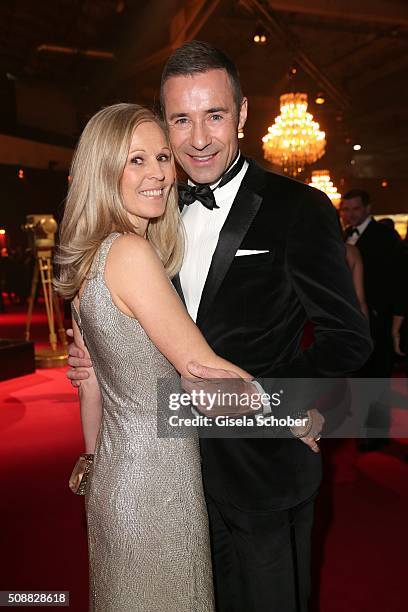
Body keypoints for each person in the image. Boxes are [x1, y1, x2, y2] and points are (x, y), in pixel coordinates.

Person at [68, 42, 372, 612]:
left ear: (243, 114)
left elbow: (348, 340)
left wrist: (288, 407)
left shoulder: (299, 208)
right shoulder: (156, 206)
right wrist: (97, 351)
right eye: (181, 119)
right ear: (165, 123)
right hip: (172, 475)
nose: (198, 138)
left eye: (215, 115)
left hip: (263, 469)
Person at [56, 102, 265, 612]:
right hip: (155, 488)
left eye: (162, 158)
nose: (158, 175)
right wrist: (297, 411)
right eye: (136, 161)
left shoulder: (91, 255)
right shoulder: (130, 252)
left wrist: (92, 460)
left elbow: (90, 384)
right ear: (104, 170)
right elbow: (201, 367)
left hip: (115, 481)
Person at [340, 189, 400, 450]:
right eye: (346, 209)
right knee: (361, 377)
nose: (351, 214)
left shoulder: (385, 235)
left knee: (378, 375)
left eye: (355, 209)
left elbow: (399, 278)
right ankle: (365, 429)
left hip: (379, 316)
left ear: (368, 208)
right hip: (353, 319)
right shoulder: (343, 237)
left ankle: (377, 435)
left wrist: (395, 321)